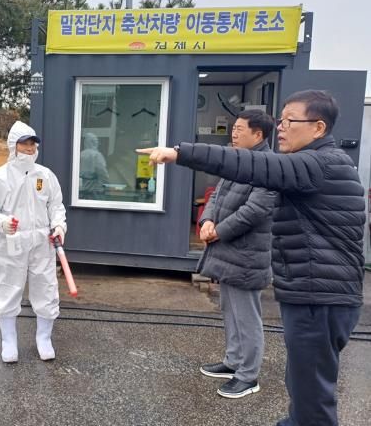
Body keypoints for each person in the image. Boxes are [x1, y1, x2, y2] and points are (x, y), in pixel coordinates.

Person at [137, 90, 365, 425]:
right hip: (312, 293)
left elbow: (251, 167)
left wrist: (179, 153)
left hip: (320, 297)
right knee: (303, 384)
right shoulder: (313, 164)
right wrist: (208, 219)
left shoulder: (320, 164)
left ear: (318, 128)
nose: (281, 127)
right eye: (280, 120)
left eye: (289, 121)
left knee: (313, 394)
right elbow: (234, 177)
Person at [196, 110, 277, 399]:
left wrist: (218, 231)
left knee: (246, 316)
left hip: (247, 255)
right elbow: (216, 195)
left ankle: (248, 375)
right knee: (229, 309)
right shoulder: (237, 160)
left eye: (240, 129)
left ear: (258, 134)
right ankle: (232, 362)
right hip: (228, 250)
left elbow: (255, 211)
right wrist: (207, 220)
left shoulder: (268, 167)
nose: (234, 132)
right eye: (234, 128)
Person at [0, 121, 67, 363]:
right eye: (24, 143)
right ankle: (8, 341)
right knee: (9, 289)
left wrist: (59, 226)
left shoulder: (45, 175)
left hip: (42, 242)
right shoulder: (0, 177)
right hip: (12, 243)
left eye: (32, 144)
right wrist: (2, 223)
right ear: (12, 145)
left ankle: (44, 339)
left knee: (46, 289)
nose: (29, 148)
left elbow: (56, 205)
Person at [79, 132, 109, 199]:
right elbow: (104, 175)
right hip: (94, 193)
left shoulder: (80, 154)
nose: (97, 143)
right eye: (95, 141)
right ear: (92, 142)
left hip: (81, 193)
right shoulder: (97, 155)